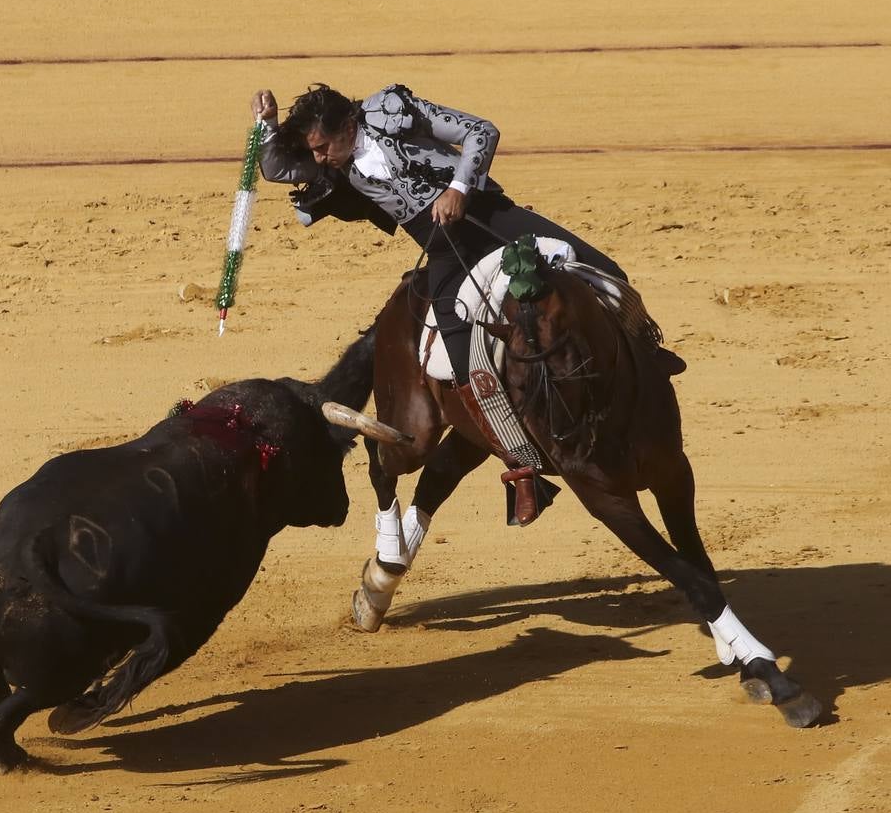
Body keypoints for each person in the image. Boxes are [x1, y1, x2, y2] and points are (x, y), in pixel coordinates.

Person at [251, 82, 627, 523]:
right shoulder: (332, 160)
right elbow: (276, 169)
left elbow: (481, 131)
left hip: (486, 216)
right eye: (312, 150)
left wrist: (460, 188)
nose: (318, 159)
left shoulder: (391, 110)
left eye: (323, 147)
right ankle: (521, 462)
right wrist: (267, 125)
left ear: (350, 125)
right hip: (443, 247)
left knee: (604, 272)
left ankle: (647, 358)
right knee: (459, 352)